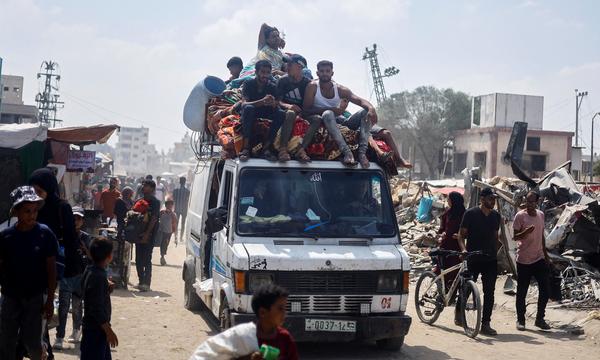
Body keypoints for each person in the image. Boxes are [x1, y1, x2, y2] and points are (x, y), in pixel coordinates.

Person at [0, 186, 58, 360]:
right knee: (6, 342)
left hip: (35, 298)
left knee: (32, 343)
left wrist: (49, 300)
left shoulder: (44, 234)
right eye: (27, 211)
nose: (32, 215)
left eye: (35, 211)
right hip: (10, 297)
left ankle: (43, 352)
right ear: (16, 211)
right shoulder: (6, 237)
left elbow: (51, 269)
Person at [29, 167, 79, 357]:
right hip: (28, 266)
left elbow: (71, 239)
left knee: (41, 311)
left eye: (39, 191)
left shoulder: (61, 207)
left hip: (51, 269)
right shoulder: (29, 207)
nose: (36, 196)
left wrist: (70, 269)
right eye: (32, 190)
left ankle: (43, 350)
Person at [188, 284, 298, 360]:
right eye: (280, 309)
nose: (285, 313)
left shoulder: (285, 339)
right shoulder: (243, 335)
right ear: (263, 312)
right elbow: (206, 354)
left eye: (285, 308)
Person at [303, 60, 377, 168]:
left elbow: (359, 100)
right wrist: (331, 109)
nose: (324, 73)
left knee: (365, 112)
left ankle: (362, 153)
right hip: (323, 120)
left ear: (332, 73)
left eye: (327, 71)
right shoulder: (312, 87)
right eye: (322, 71)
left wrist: (371, 109)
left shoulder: (340, 89)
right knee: (328, 114)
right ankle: (347, 152)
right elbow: (305, 110)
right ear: (317, 73)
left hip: (338, 121)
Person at [457, 187, 501, 336]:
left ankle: (486, 323)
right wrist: (463, 250)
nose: (493, 202)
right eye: (490, 199)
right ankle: (459, 313)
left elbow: (496, 237)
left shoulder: (496, 216)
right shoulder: (470, 214)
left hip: (490, 259)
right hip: (473, 257)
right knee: (467, 288)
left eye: (494, 199)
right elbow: (461, 235)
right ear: (482, 199)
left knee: (490, 292)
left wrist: (497, 253)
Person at [239, 60, 293, 162]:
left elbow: (277, 103)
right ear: (256, 72)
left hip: (266, 111)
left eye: (267, 73)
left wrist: (273, 103)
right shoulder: (248, 83)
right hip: (251, 112)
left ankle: (266, 147)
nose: (265, 75)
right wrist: (262, 101)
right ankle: (245, 148)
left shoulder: (272, 86)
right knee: (248, 108)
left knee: (281, 113)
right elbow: (244, 104)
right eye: (262, 72)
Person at [513, 191, 551, 331]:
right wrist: (525, 233)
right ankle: (520, 320)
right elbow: (515, 237)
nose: (529, 204)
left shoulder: (541, 215)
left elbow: (541, 236)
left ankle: (540, 319)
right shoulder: (520, 216)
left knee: (545, 289)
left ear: (538, 202)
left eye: (532, 201)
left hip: (539, 257)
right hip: (523, 259)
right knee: (522, 291)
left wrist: (546, 256)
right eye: (527, 201)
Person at [54, 207, 91, 349]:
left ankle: (76, 330)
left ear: (82, 221)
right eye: (73, 218)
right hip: (65, 276)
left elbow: (91, 257)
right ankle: (59, 336)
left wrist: (83, 247)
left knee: (76, 306)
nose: (76, 221)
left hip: (80, 276)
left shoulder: (85, 237)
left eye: (78, 219)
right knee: (63, 308)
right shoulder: (62, 235)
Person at [80, 238, 118, 360]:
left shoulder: (90, 269)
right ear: (108, 256)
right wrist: (108, 330)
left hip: (92, 328)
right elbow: (96, 308)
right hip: (96, 329)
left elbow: (86, 289)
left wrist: (105, 287)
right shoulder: (99, 276)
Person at [276, 54, 311, 162]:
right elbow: (277, 101)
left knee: (317, 119)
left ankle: (301, 148)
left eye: (291, 64)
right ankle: (283, 149)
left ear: (300, 66)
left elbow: (309, 105)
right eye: (287, 64)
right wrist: (288, 106)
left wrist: (302, 112)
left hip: (302, 113)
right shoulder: (283, 80)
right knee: (290, 113)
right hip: (285, 112)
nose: (288, 66)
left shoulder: (308, 83)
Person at [135, 180, 160, 292]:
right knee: (138, 258)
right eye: (143, 185)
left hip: (149, 234)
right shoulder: (140, 201)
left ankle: (146, 283)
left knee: (146, 258)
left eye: (146, 186)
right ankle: (141, 281)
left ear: (152, 188)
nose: (143, 187)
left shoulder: (155, 202)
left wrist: (147, 233)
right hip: (138, 233)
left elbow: (154, 219)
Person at [159, 200, 177, 266]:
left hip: (169, 232)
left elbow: (175, 224)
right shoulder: (162, 212)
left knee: (165, 244)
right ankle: (162, 256)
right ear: (166, 206)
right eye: (168, 205)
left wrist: (175, 236)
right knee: (162, 244)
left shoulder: (173, 214)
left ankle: (162, 256)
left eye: (171, 205)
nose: (169, 207)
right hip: (161, 231)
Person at [172, 177, 190, 242]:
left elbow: (173, 200)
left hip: (177, 209)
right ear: (185, 182)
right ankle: (181, 237)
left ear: (179, 182)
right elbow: (188, 201)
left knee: (176, 223)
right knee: (183, 224)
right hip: (184, 209)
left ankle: (175, 237)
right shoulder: (187, 191)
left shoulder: (175, 190)